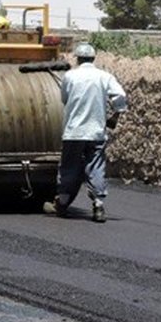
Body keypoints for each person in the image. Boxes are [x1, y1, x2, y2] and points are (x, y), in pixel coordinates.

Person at [45, 42, 128, 223]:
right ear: (93, 58)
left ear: (78, 58)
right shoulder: (104, 76)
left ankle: (63, 203)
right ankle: (98, 204)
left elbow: (65, 99)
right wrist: (115, 115)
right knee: (96, 167)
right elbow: (120, 96)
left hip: (74, 132)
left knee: (69, 167)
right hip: (96, 132)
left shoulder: (70, 76)